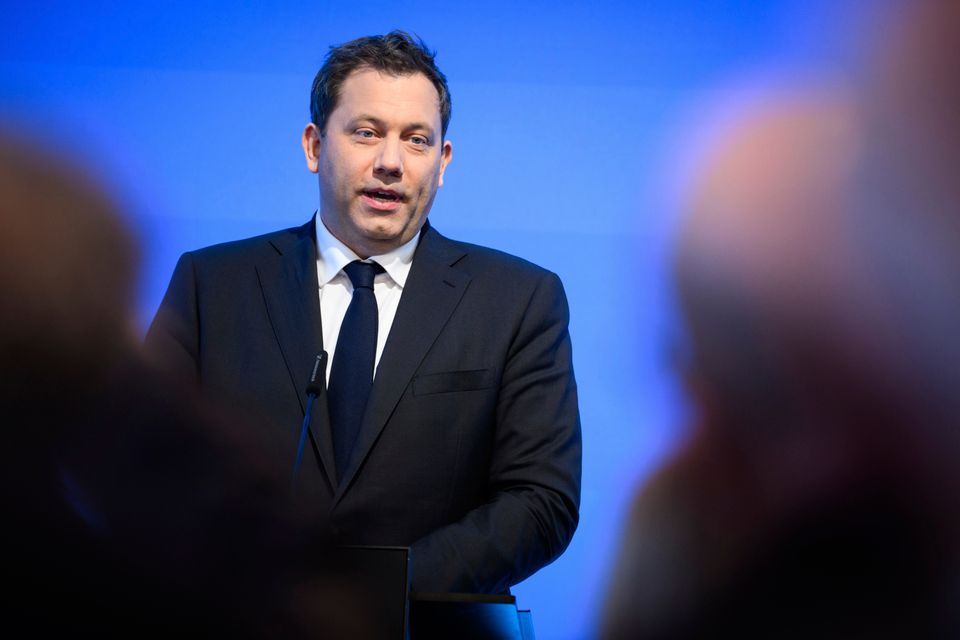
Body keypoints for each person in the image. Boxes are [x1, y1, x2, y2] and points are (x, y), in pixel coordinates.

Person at [145, 30, 582, 594]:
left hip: (430, 623)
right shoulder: (212, 286)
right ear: (314, 146)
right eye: (366, 133)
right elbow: (138, 465)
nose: (391, 162)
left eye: (417, 140)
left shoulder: (518, 300)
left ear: (442, 162)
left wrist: (383, 590)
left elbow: (541, 501)